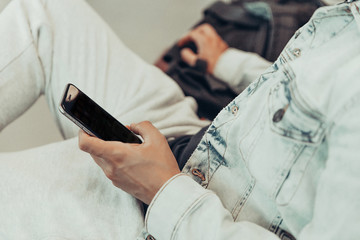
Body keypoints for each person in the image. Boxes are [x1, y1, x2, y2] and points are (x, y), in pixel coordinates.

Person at [0, 0, 359, 240]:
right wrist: (232, 65)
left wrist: (161, 189)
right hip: (199, 139)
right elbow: (316, 93)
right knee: (45, 13)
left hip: (173, 211)